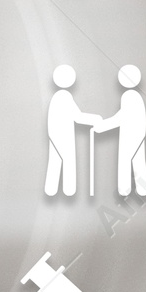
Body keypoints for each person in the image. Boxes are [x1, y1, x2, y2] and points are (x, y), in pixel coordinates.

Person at [44, 65, 102, 197]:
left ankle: (51, 189)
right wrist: (95, 119)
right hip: (64, 136)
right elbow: (78, 117)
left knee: (55, 162)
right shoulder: (65, 97)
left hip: (54, 135)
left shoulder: (56, 97)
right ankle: (69, 190)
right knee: (68, 162)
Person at [95, 65, 146, 198]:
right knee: (138, 161)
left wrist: (102, 126)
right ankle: (143, 189)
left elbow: (121, 117)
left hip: (130, 135)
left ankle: (125, 190)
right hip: (139, 134)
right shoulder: (136, 96)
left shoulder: (128, 96)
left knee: (125, 161)